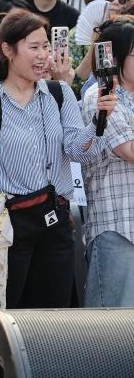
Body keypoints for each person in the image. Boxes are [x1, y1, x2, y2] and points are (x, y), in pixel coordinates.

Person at [0, 9, 116, 378]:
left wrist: (99, 120)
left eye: (46, 46)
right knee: (1, 317)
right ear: (7, 50)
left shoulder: (58, 92)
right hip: (11, 225)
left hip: (55, 219)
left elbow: (77, 150)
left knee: (52, 319)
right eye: (33, 46)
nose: (43, 55)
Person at [80, 19, 134, 308]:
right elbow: (128, 150)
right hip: (117, 227)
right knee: (113, 328)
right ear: (116, 56)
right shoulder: (101, 96)